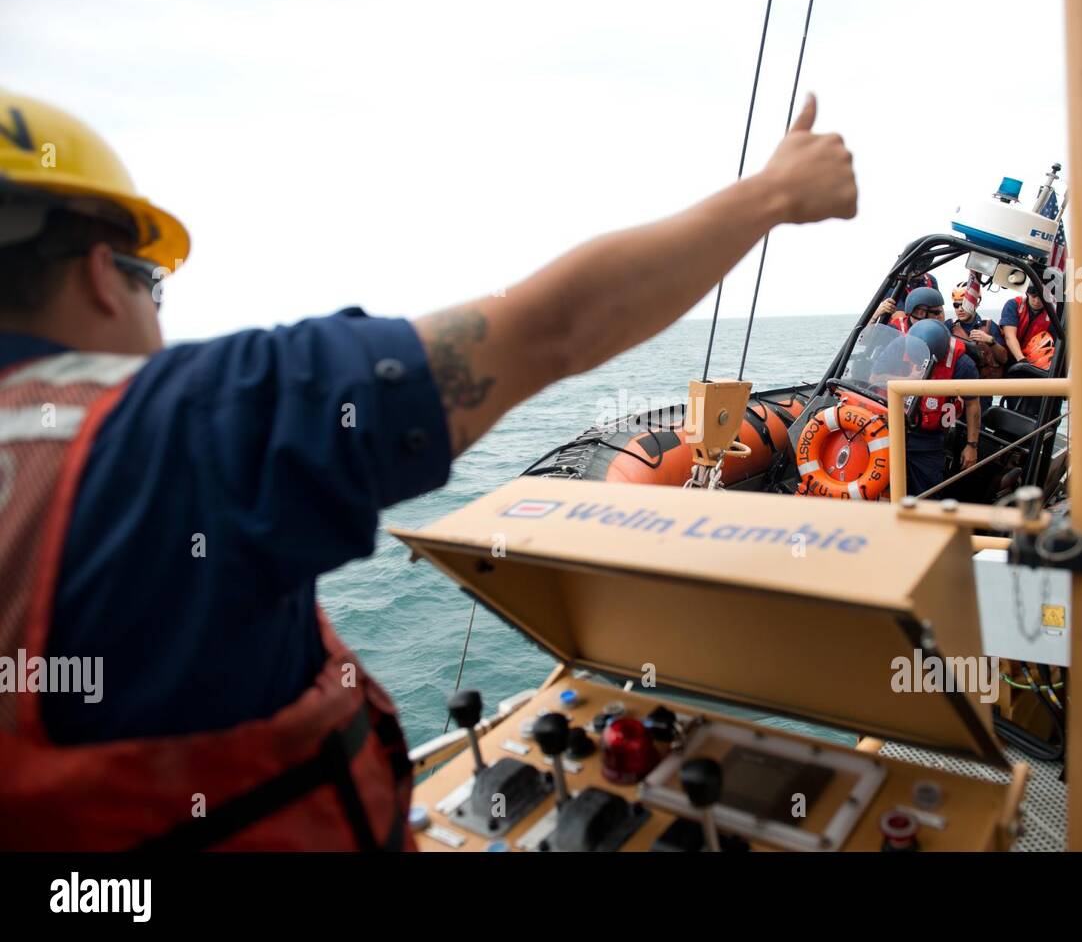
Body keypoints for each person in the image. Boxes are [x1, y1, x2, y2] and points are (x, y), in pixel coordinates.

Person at [0, 88, 857, 849]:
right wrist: (774, 193)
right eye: (155, 281)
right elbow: (552, 326)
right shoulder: (193, 423)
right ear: (100, 274)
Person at [899, 319, 981, 496]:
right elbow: (875, 378)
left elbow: (973, 403)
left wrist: (972, 445)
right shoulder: (899, 347)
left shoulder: (963, 364)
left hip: (930, 438)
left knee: (928, 491)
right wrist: (908, 380)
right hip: (892, 428)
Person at [947, 281, 1007, 412]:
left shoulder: (990, 326)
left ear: (977, 302)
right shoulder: (948, 327)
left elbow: (1004, 359)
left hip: (982, 389)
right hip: (956, 388)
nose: (960, 309)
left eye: (964, 304)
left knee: (980, 426)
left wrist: (991, 341)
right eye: (956, 305)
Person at [998, 283, 1055, 370]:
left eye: (1041, 298)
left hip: (1032, 360)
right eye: (1034, 296)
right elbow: (1009, 336)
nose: (1037, 301)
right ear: (1027, 293)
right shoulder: (1013, 305)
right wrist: (1022, 360)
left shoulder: (1053, 315)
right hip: (1005, 354)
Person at [874, 284, 945, 334]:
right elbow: (869, 339)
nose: (939, 317)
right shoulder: (895, 329)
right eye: (936, 313)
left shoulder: (940, 332)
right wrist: (875, 316)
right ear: (920, 313)